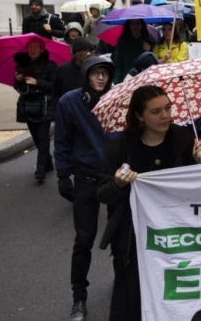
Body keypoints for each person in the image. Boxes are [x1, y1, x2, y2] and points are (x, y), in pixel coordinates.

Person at [98, 86, 201, 320]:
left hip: (177, 233)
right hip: (133, 238)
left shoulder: (184, 138)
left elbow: (199, 190)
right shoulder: (120, 146)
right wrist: (118, 183)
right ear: (139, 116)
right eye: (156, 112)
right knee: (131, 297)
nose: (166, 116)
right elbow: (102, 194)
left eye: (168, 108)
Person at [53, 57, 115, 321]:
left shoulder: (118, 98)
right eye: (95, 73)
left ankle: (124, 285)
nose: (101, 78)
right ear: (86, 76)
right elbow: (63, 140)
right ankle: (79, 297)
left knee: (122, 237)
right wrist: (63, 174)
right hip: (86, 178)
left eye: (105, 73)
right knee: (84, 240)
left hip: (115, 179)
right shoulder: (69, 102)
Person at [13, 37, 58, 180]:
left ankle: (40, 169)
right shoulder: (21, 65)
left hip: (44, 106)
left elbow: (54, 86)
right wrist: (18, 80)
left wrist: (37, 82)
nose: (32, 50)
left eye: (36, 47)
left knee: (43, 137)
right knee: (36, 138)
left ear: (42, 49)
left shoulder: (50, 65)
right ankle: (48, 162)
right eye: (30, 47)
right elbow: (17, 88)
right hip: (28, 106)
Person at [51, 38, 94, 116]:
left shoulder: (93, 70)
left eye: (90, 51)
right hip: (67, 111)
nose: (88, 54)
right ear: (76, 53)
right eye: (84, 50)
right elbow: (56, 93)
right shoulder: (63, 69)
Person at [112, 19, 156, 84]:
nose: (135, 26)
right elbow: (118, 63)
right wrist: (117, 82)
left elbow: (155, 62)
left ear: (142, 25)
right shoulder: (123, 41)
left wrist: (150, 50)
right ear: (128, 26)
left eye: (138, 23)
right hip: (127, 79)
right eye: (132, 23)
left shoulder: (149, 40)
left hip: (145, 79)